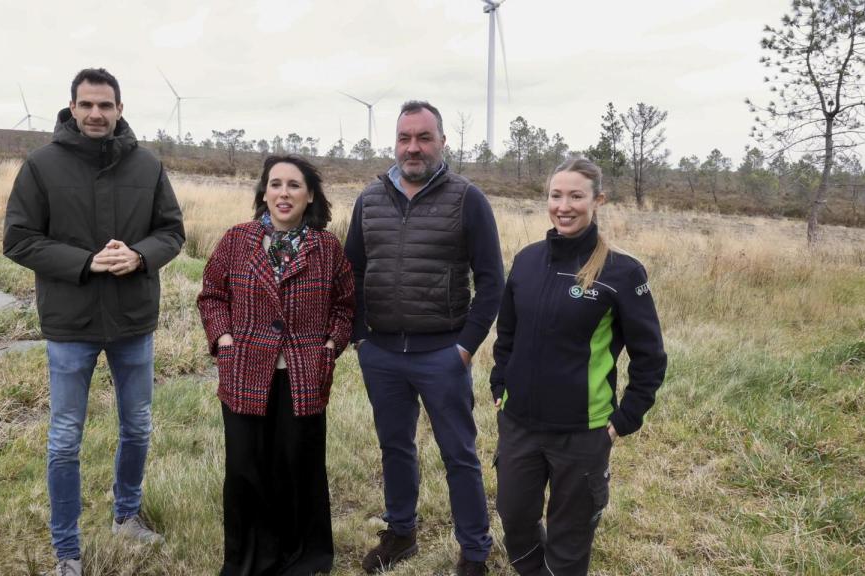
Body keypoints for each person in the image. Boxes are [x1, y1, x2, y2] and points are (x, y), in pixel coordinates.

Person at [3, 67, 185, 576]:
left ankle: (126, 516)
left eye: (105, 105)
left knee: (138, 426)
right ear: (72, 107)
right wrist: (86, 262)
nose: (96, 114)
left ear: (120, 109)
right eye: (86, 104)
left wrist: (140, 256)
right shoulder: (41, 165)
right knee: (65, 438)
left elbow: (172, 232)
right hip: (70, 323)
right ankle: (67, 550)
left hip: (132, 320)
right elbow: (19, 239)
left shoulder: (148, 165)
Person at [344, 100, 504, 576]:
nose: (413, 147)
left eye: (423, 137)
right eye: (404, 138)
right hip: (382, 352)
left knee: (460, 454)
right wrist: (360, 337)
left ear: (442, 142)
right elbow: (352, 272)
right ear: (395, 143)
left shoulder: (467, 199)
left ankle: (474, 551)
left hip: (442, 353)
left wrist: (465, 346)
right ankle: (401, 533)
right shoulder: (369, 200)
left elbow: (491, 281)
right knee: (395, 448)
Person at [490, 156, 668, 576]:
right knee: (514, 519)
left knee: (569, 537)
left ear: (597, 201)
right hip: (519, 425)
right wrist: (500, 386)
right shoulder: (527, 260)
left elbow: (650, 356)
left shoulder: (622, 272)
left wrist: (625, 418)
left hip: (583, 433)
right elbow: (507, 334)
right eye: (556, 196)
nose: (564, 206)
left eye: (576, 196)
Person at [197, 154, 354, 576]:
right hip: (245, 369)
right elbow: (212, 295)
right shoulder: (237, 240)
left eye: (294, 185)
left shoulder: (327, 248)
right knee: (245, 468)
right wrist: (224, 340)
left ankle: (303, 558)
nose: (284, 193)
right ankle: (249, 559)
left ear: (310, 196)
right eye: (276, 184)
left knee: (298, 465)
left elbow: (344, 306)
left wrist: (329, 345)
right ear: (264, 193)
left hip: (303, 373)